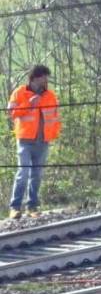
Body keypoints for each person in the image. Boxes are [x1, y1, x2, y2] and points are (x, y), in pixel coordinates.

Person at [7, 64, 59, 221]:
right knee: (23, 173)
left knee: (37, 174)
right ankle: (15, 208)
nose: (46, 80)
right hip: (25, 140)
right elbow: (11, 113)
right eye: (44, 76)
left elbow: (56, 117)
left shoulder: (50, 95)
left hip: (43, 141)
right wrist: (29, 104)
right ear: (35, 77)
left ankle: (32, 207)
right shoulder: (19, 93)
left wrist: (52, 134)